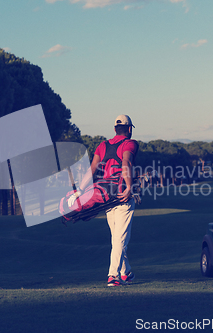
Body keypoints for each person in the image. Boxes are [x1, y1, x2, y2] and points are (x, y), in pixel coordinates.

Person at [75, 115, 139, 286]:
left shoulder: (102, 145)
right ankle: (113, 275)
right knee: (120, 238)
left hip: (105, 197)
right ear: (130, 129)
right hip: (121, 195)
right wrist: (129, 187)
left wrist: (80, 190)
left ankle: (126, 273)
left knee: (117, 238)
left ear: (114, 129)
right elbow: (126, 162)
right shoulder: (130, 143)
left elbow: (92, 169)